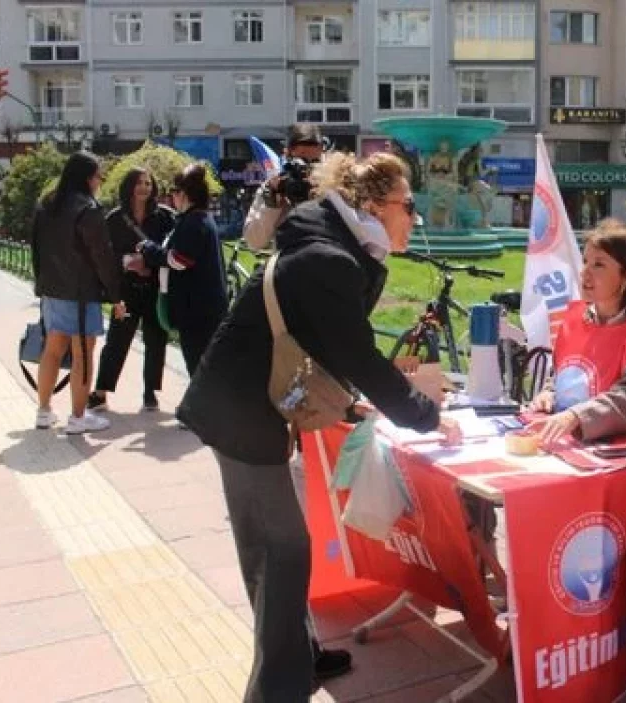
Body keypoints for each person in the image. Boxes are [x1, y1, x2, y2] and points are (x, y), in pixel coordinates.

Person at [176, 151, 463, 701]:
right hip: (240, 415)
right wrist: (427, 415)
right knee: (278, 553)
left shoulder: (330, 242)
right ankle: (276, 690)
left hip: (250, 404)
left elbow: (325, 340)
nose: (414, 219)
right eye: (408, 207)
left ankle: (298, 659)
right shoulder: (332, 258)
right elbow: (359, 355)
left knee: (276, 550)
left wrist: (354, 403)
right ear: (375, 206)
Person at [526, 219, 626, 444]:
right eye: (585, 262)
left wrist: (575, 417)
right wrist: (549, 395)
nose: (585, 273)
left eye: (599, 265)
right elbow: (563, 374)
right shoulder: (575, 318)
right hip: (569, 444)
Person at [31, 152, 123, 434]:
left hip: (52, 290)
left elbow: (35, 248)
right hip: (81, 294)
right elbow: (102, 256)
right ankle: (78, 417)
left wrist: (41, 285)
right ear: (87, 178)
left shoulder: (46, 205)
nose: (100, 181)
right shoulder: (88, 209)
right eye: (98, 176)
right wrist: (116, 295)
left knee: (52, 350)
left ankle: (44, 412)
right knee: (83, 353)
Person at [87, 168, 177, 413]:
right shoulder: (115, 219)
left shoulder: (165, 217)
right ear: (129, 186)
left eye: (148, 183)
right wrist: (128, 262)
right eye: (139, 183)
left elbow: (172, 252)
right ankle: (101, 392)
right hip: (126, 291)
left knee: (156, 341)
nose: (144, 188)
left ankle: (150, 393)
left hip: (156, 289)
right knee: (117, 341)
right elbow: (104, 255)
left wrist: (149, 263)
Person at [137, 163, 227, 376]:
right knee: (202, 366)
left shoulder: (195, 222)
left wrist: (149, 251)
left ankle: (200, 409)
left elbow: (180, 259)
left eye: (174, 192)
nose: (171, 198)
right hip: (202, 308)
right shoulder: (198, 218)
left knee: (198, 367)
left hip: (198, 311)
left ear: (185, 194)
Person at [242, 123, 326, 250]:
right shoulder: (276, 186)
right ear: (289, 155)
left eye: (315, 161)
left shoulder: (334, 188)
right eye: (302, 161)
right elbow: (254, 242)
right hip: (288, 265)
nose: (308, 168)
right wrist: (272, 205)